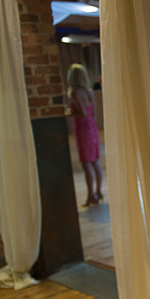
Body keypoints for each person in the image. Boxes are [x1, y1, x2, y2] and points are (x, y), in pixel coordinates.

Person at [66, 63, 103, 207]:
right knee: (95, 161)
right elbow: (93, 113)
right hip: (92, 126)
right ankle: (98, 191)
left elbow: (82, 112)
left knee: (86, 163)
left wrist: (70, 113)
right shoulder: (89, 91)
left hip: (82, 128)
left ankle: (90, 196)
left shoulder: (75, 93)